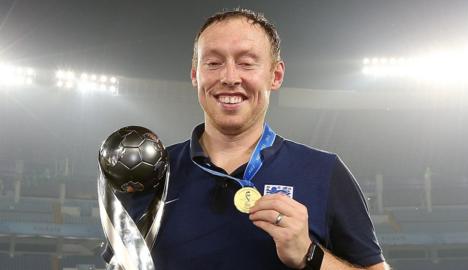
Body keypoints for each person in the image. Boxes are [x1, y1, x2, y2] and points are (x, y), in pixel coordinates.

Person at [104, 8, 388, 270]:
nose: (229, 77)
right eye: (213, 62)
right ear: (195, 75)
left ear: (275, 76)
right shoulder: (150, 173)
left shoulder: (324, 172)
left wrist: (309, 254)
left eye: (247, 63)